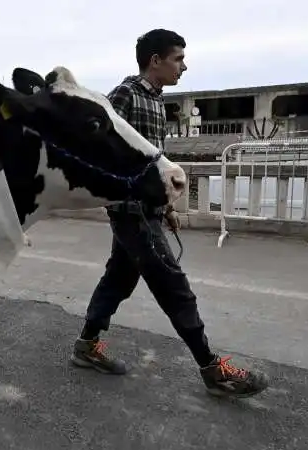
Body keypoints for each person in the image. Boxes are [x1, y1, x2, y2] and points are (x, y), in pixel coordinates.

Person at [69, 28, 268, 398]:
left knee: (119, 279)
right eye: (178, 59)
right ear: (155, 60)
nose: (184, 66)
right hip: (130, 211)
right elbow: (97, 144)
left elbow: (155, 163)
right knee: (173, 285)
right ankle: (212, 368)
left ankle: (86, 345)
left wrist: (165, 207)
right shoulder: (125, 95)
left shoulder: (159, 103)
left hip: (148, 210)